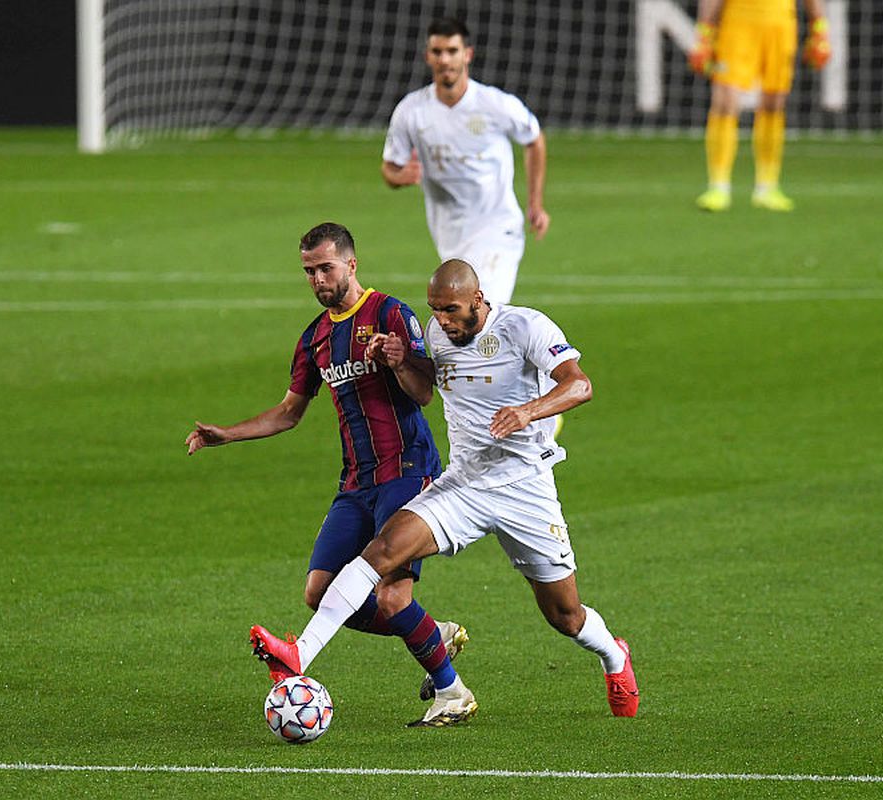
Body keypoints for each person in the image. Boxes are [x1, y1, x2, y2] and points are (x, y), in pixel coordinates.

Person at [251, 259, 639, 727]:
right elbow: (423, 388)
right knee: (383, 552)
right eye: (436, 311)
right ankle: (300, 654)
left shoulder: (524, 326)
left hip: (525, 488)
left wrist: (528, 411)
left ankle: (614, 656)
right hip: (464, 484)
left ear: (477, 299)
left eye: (452, 310)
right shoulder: (436, 335)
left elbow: (580, 385)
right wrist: (399, 359)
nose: (443, 321)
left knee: (565, 615)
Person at [187, 222, 471, 708]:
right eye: (309, 271)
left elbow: (423, 394)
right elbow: (289, 412)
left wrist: (400, 360)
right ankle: (432, 634)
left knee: (392, 597)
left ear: (351, 265)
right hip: (357, 481)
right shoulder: (315, 338)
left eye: (326, 268)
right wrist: (226, 434)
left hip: (407, 471)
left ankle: (453, 692)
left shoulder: (391, 313)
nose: (318, 279)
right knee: (319, 592)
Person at [381, 17, 550, 306]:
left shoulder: (495, 105)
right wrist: (401, 176)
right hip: (450, 232)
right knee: (464, 319)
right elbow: (389, 168)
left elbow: (534, 139)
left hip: (497, 226)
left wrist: (535, 202)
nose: (444, 59)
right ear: (427, 56)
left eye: (452, 50)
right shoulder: (411, 111)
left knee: (481, 310)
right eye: (437, 51)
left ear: (467, 54)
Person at [689, 0, 830, 212]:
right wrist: (704, 32)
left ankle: (767, 187)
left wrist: (819, 28)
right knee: (725, 101)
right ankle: (718, 187)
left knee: (774, 103)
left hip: (781, 21)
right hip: (737, 22)